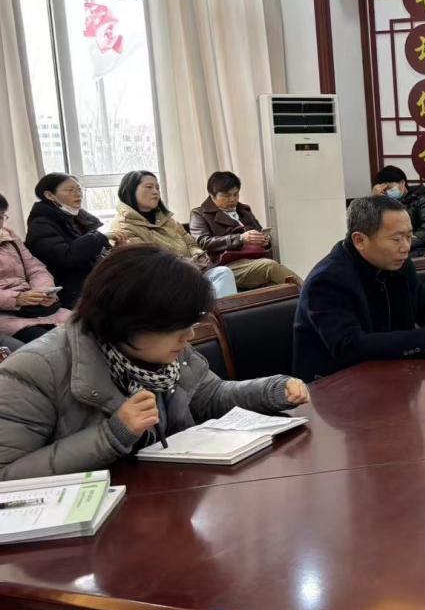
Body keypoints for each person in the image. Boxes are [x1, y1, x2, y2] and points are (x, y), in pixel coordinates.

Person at [0, 244, 309, 480]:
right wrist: (113, 435)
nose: (189, 336)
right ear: (127, 320)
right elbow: (6, 475)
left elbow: (210, 397)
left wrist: (271, 390)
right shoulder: (35, 370)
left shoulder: (164, 351)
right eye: (176, 327)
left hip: (165, 498)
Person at [293, 196, 425, 383]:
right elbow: (349, 346)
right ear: (360, 240)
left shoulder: (398, 265)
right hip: (335, 387)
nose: (406, 247)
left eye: (409, 236)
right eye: (396, 239)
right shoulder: (327, 280)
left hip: (392, 372)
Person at [111, 171, 237, 298]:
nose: (155, 192)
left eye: (157, 187)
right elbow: (147, 264)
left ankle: (221, 311)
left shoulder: (168, 221)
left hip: (191, 273)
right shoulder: (123, 225)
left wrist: (199, 256)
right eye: (149, 187)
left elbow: (191, 244)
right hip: (159, 283)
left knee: (223, 273)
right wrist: (188, 265)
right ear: (130, 190)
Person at [24, 173, 123, 307]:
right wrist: (100, 237)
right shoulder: (41, 224)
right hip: (68, 291)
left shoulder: (79, 218)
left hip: (94, 282)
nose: (78, 194)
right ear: (50, 195)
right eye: (70, 190)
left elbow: (99, 253)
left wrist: (117, 249)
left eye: (79, 189)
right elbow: (65, 257)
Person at [189, 171, 299, 289]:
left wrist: (264, 240)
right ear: (212, 195)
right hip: (225, 265)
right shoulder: (199, 214)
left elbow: (260, 231)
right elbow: (204, 242)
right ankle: (309, 293)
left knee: (279, 284)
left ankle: (305, 294)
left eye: (236, 194)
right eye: (226, 195)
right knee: (270, 267)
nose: (232, 199)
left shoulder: (243, 210)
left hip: (254, 258)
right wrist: (241, 239)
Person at [0, 191, 72, 344]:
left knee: (87, 332)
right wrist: (16, 299)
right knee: (52, 345)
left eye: (1, 216)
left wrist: (43, 291)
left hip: (33, 307)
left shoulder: (9, 236)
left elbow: (35, 269)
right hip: (6, 314)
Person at [371, 166, 425, 256]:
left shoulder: (421, 199)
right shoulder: (384, 201)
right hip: (391, 247)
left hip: (417, 247)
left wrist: (402, 243)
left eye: (389, 187)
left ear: (402, 183)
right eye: (384, 190)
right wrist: (375, 200)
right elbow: (372, 226)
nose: (387, 192)